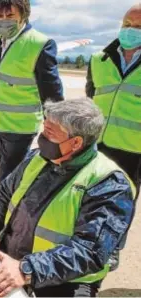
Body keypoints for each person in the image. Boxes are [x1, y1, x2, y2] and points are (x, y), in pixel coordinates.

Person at [0, 99, 135, 297]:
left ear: (76, 142)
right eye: (43, 130)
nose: (41, 138)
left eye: (49, 134)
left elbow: (90, 252)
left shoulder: (109, 184)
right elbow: (4, 195)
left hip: (65, 279)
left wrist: (27, 269)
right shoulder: (36, 158)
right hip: (10, 262)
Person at [85, 3, 141, 271]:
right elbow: (90, 96)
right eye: (127, 24)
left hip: (133, 149)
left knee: (122, 203)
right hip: (97, 144)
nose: (131, 30)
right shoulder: (100, 59)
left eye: (139, 27)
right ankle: (86, 242)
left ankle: (112, 248)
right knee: (88, 196)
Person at [0, 0, 64, 184]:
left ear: (24, 15)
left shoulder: (40, 44)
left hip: (20, 129)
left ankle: (3, 212)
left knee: (7, 181)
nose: (4, 21)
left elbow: (52, 92)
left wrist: (57, 129)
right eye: (0, 16)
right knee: (8, 177)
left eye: (10, 16)